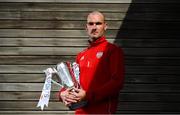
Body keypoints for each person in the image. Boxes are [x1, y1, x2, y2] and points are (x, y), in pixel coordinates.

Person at [58, 11, 125, 114]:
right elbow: (73, 82)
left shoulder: (113, 51)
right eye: (91, 24)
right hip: (80, 112)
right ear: (86, 28)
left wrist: (88, 95)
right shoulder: (81, 55)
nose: (94, 27)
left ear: (105, 26)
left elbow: (117, 82)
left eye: (98, 23)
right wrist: (63, 94)